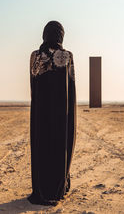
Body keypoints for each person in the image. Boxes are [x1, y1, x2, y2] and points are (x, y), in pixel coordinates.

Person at [27, 21, 76, 205]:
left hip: (40, 112)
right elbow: (71, 86)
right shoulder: (67, 55)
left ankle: (40, 189)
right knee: (60, 148)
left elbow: (33, 84)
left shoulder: (35, 56)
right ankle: (57, 189)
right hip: (61, 114)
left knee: (41, 147)